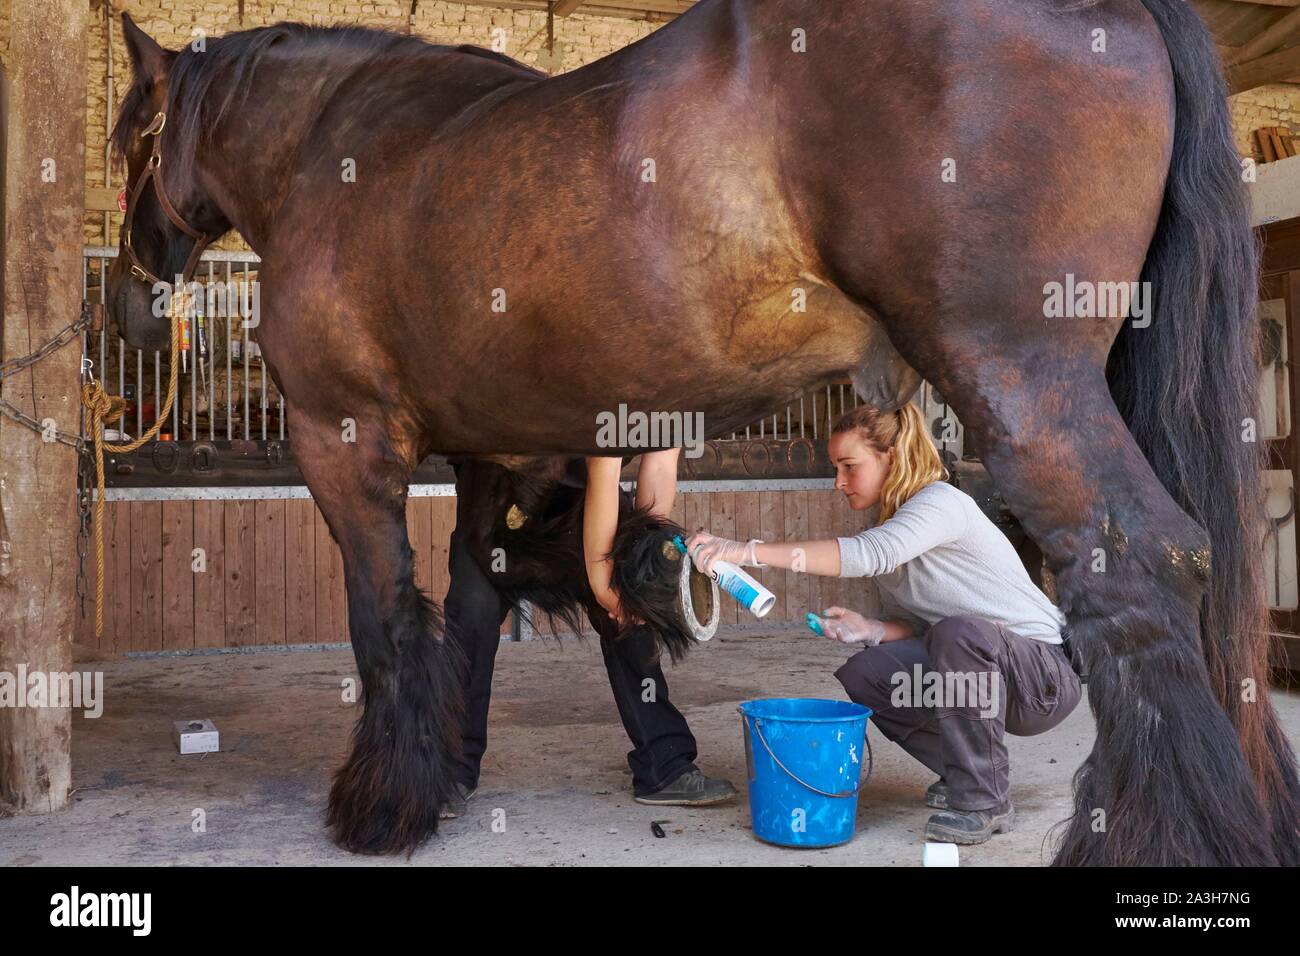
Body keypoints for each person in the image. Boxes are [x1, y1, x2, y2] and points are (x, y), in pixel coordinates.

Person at [686, 403, 1081, 844]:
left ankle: (984, 799)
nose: (839, 481)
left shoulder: (941, 502)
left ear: (891, 456)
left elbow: (869, 554)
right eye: (836, 468)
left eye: (849, 466)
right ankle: (965, 769)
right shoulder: (896, 526)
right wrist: (870, 630)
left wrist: (745, 551)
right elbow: (920, 627)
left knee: (960, 633)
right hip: (983, 665)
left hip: (1043, 679)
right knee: (868, 673)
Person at [582, 448, 736, 806]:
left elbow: (662, 459)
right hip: (508, 488)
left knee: (633, 604)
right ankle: (452, 772)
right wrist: (605, 588)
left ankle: (664, 766)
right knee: (475, 608)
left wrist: (642, 566)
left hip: (591, 487)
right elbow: (601, 459)